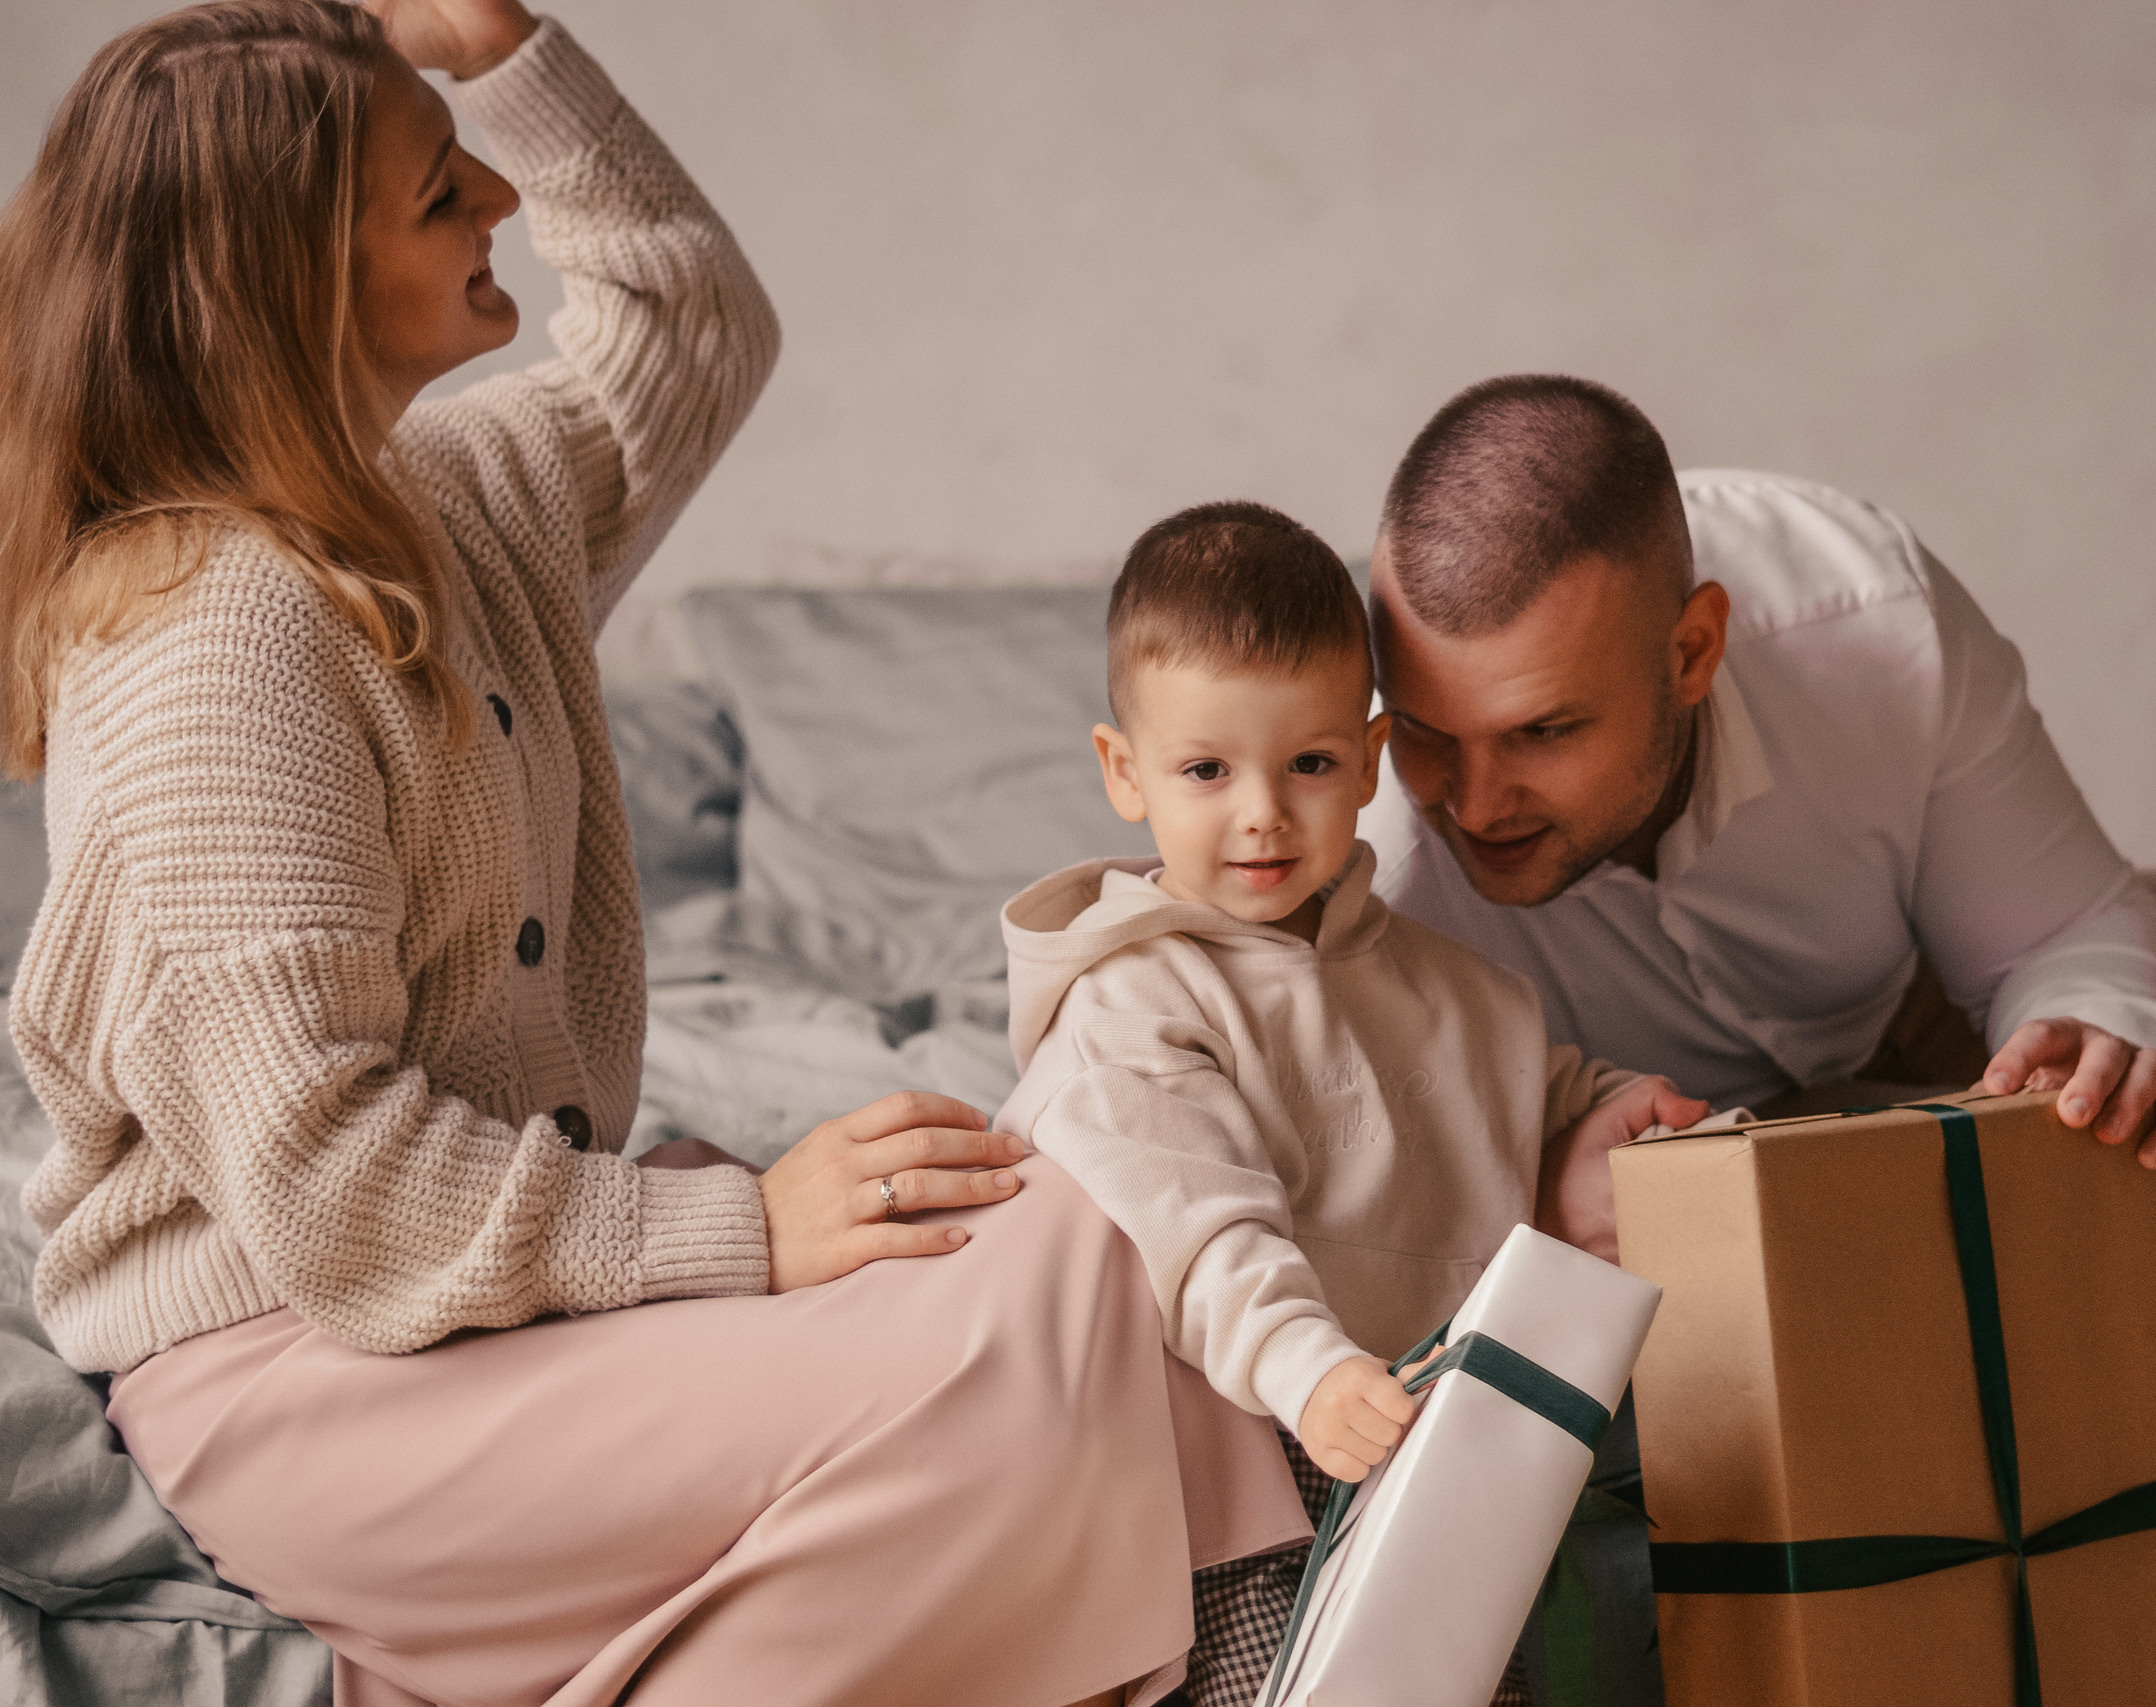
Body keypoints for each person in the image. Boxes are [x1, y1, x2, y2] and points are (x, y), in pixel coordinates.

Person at [0, 5, 1304, 1704]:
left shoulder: (449, 499)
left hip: (488, 1306)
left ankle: (1279, 1660)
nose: (497, 193)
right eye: (427, 190)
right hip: (317, 1373)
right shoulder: (209, 645)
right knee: (1024, 1325)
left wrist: (501, 48)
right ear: (296, 285)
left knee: (1086, 1228)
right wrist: (736, 1230)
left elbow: (685, 318)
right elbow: (327, 1182)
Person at [1358, 373, 2156, 1706]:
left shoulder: (1859, 612)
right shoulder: (1358, 824)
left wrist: (2097, 1026)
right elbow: (1331, 1172)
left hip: (1924, 999)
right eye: (1429, 733)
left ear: (1694, 648)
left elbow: (2067, 921)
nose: (1472, 798)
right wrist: (1530, 1167)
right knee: (2146, 1173)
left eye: (1543, 731)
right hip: (1685, 1155)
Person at [993, 502, 1704, 1707]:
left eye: (1309, 764)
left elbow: (1518, 1083)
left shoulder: (1446, 984)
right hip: (1240, 1456)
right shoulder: (1133, 1001)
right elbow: (1201, 1234)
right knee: (1294, 1686)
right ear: (1125, 772)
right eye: (1206, 770)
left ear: (1371, 759)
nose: (1262, 810)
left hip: (1451, 1442)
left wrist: (1637, 1116)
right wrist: (1306, 1371)